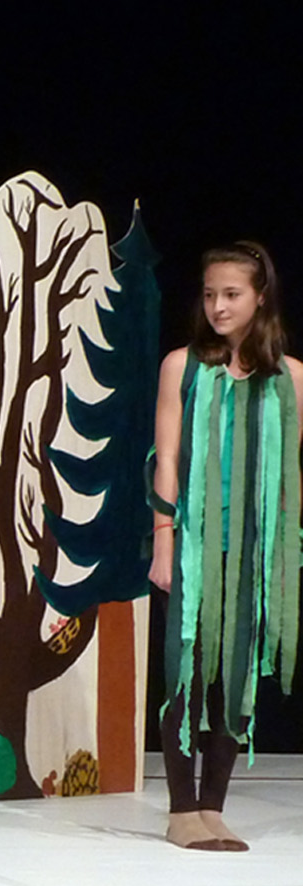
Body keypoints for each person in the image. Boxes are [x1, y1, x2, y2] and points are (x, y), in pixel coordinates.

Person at [149, 241, 303, 852]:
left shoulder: (290, 379)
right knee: (185, 668)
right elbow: (166, 459)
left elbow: (289, 473)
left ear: (260, 297)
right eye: (210, 293)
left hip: (255, 549)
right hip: (193, 540)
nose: (218, 306)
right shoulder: (183, 366)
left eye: (232, 294)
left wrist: (285, 557)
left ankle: (212, 806)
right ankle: (180, 809)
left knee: (237, 676)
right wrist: (164, 541)